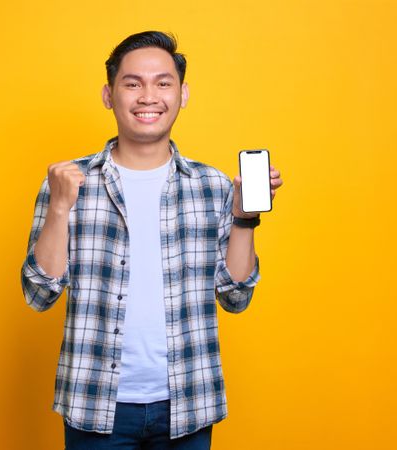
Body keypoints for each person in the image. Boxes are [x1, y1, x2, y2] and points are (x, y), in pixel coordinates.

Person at [21, 31, 283, 450]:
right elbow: (38, 294)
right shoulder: (69, 181)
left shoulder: (212, 185)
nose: (149, 96)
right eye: (132, 83)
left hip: (188, 401)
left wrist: (244, 217)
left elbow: (235, 297)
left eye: (163, 83)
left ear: (183, 94)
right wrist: (59, 209)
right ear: (109, 95)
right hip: (95, 402)